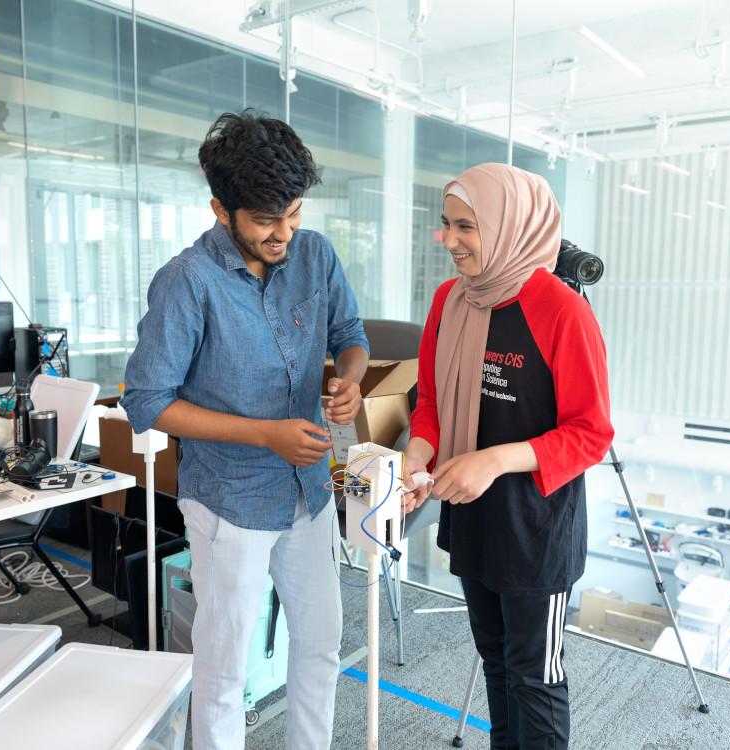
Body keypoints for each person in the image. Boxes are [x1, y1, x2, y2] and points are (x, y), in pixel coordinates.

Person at [121, 110, 369, 750]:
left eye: (293, 213)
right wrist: (265, 435)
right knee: (225, 665)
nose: (284, 232)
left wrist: (350, 378)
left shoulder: (314, 254)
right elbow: (147, 403)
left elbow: (350, 337)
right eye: (265, 220)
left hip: (309, 490)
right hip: (230, 499)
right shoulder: (187, 283)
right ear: (220, 209)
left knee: (320, 646)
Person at [401, 163, 614, 749]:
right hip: (472, 522)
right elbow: (431, 407)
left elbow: (591, 433)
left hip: (536, 533)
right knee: (495, 663)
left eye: (466, 226)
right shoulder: (449, 301)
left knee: (535, 677)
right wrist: (418, 459)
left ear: (508, 225)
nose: (449, 241)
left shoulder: (562, 310)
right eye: (445, 225)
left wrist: (493, 460)